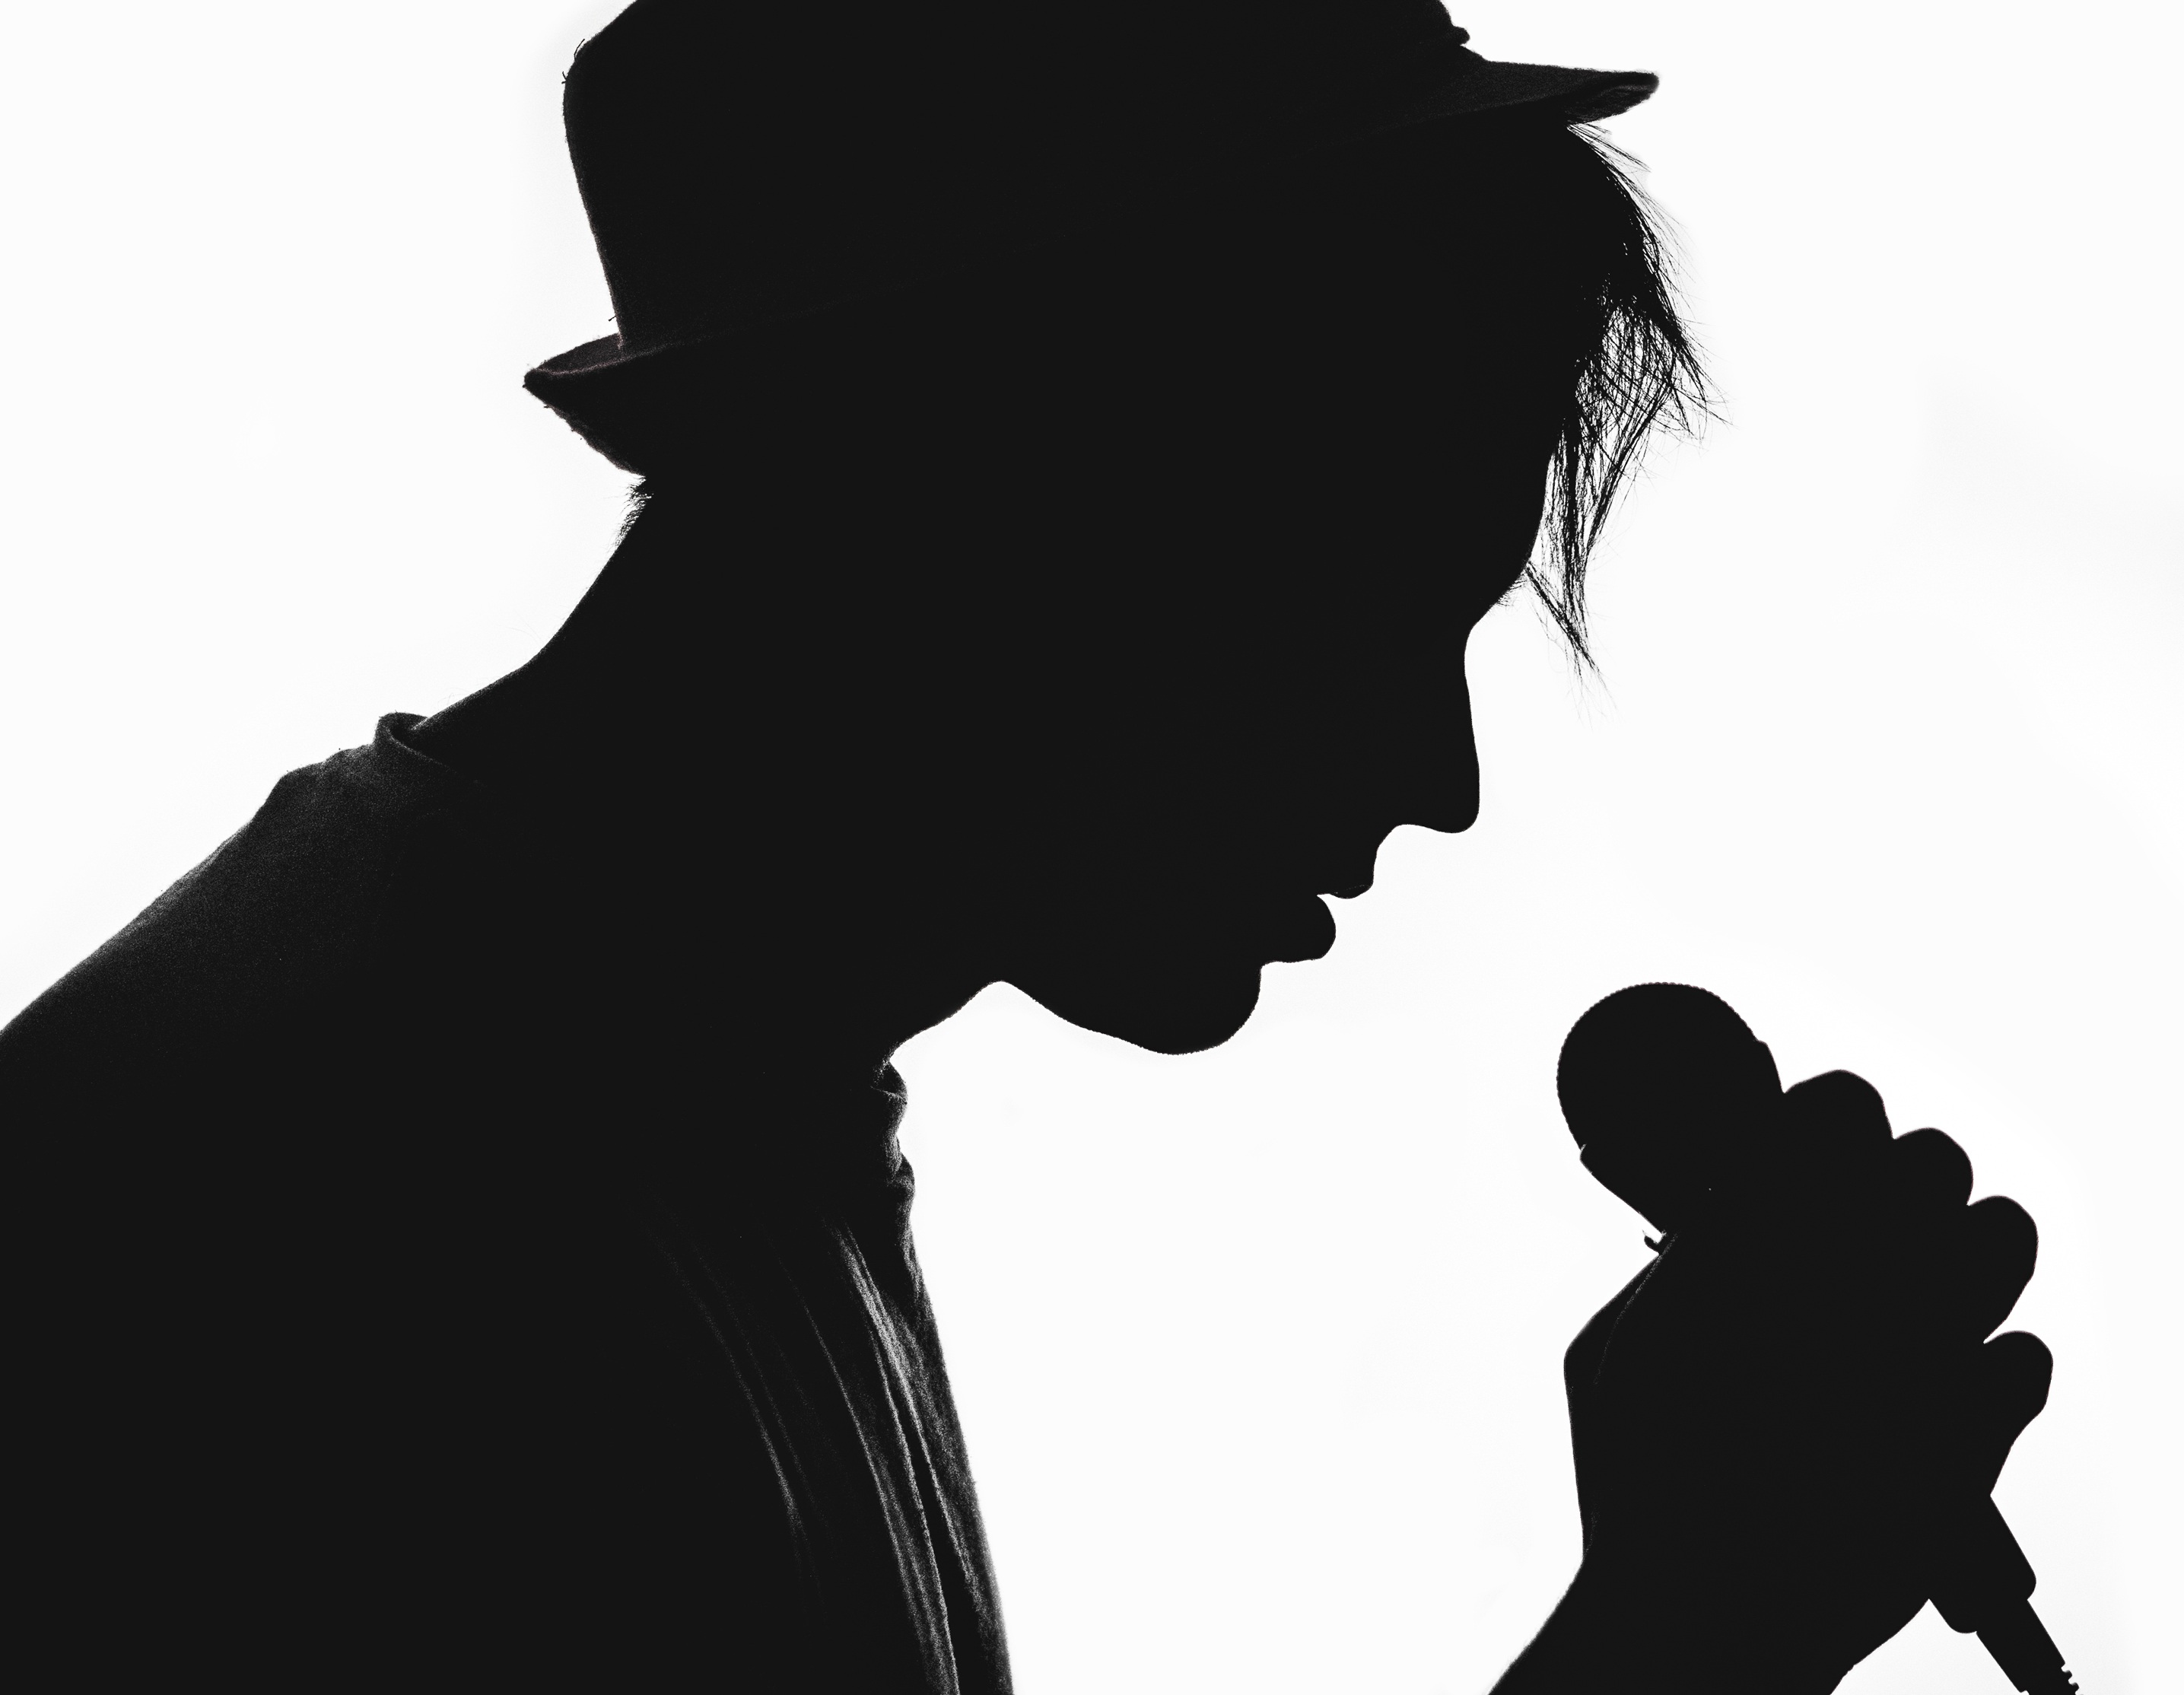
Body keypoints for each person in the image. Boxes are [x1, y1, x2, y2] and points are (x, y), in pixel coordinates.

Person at [5, 4, 2052, 1690]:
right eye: (1363, 599)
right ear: (1014, 488)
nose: (1438, 777)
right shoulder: (340, 1228)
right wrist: (1683, 1635)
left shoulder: (644, 1102)